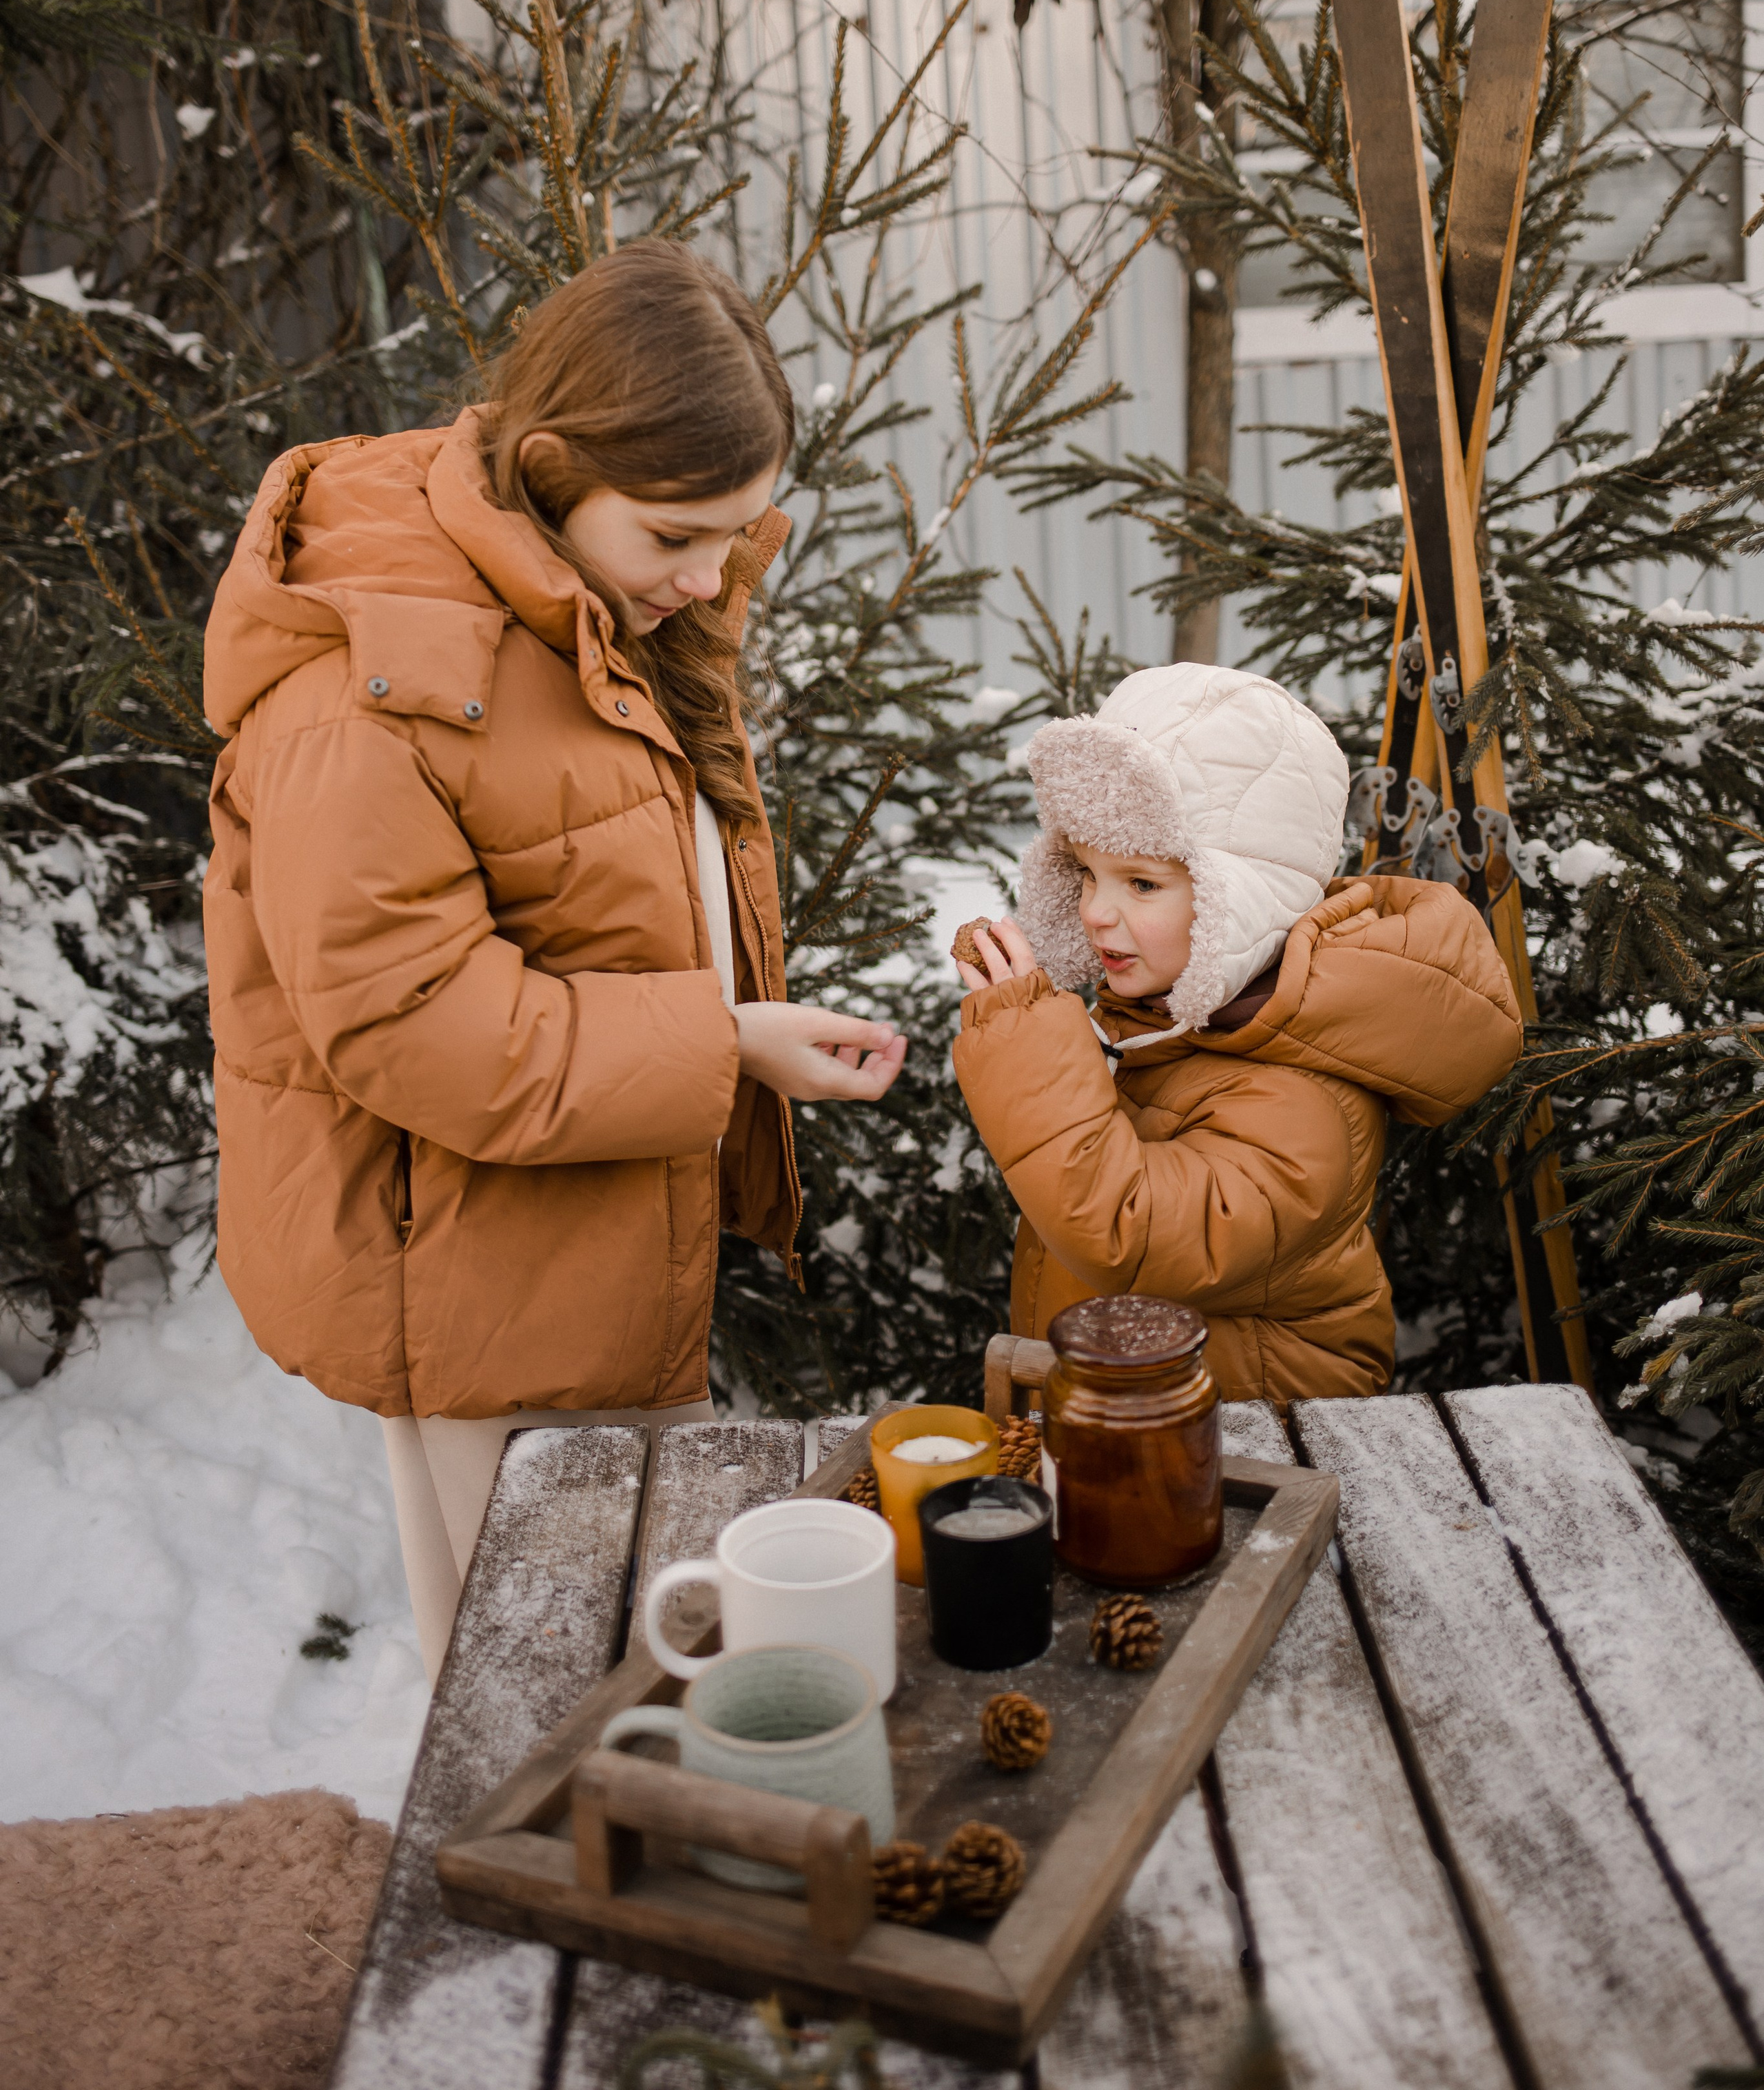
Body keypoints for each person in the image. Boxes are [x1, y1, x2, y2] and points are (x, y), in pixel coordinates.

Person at [202, 240, 906, 1682]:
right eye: (674, 535)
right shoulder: (371, 696)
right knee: (535, 1694)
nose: (709, 577)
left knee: (622, 1669)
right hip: (475, 1292)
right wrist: (727, 1048)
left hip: (581, 1247)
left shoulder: (587, 605)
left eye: (738, 534)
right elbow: (417, 1024)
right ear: (548, 466)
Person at [951, 664, 1523, 1406]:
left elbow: (1129, 1232)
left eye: (1142, 883)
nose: (1095, 910)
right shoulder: (1165, 1021)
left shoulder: (1298, 1095)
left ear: (1241, 902)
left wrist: (1028, 1050)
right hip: (1134, 1415)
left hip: (1256, 1435)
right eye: (1086, 875)